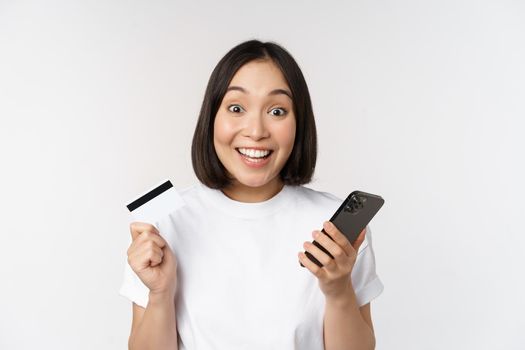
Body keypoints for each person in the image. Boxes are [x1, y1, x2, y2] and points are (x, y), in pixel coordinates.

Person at [119, 39, 384, 350]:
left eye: (277, 110)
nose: (256, 130)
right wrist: (161, 293)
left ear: (299, 124)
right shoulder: (162, 220)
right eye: (236, 108)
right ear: (211, 118)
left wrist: (338, 290)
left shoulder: (334, 229)